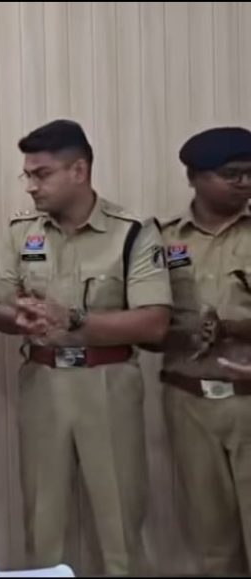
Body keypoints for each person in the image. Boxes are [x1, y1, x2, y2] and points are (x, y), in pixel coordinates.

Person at [0, 120, 172, 575]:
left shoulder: (132, 232)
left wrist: (73, 319)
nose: (31, 186)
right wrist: (19, 317)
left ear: (78, 170)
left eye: (42, 174)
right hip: (42, 382)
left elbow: (154, 323)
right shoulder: (20, 231)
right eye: (27, 174)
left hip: (107, 385)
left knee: (119, 527)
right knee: (42, 526)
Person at [154, 127, 251, 575]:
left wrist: (229, 327)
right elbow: (145, 321)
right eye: (232, 174)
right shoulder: (160, 239)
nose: (244, 183)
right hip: (189, 401)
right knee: (213, 544)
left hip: (248, 400)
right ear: (194, 177)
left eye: (250, 173)